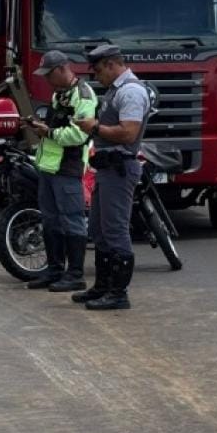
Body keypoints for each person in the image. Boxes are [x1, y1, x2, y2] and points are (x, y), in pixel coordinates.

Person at [72, 44, 150, 310]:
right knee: (99, 229)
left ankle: (119, 293)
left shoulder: (131, 92)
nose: (96, 77)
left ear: (110, 64)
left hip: (119, 168)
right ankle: (103, 286)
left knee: (115, 230)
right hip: (106, 169)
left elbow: (128, 133)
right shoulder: (116, 91)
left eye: (97, 71)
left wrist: (96, 127)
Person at [23, 50, 98, 292]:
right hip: (49, 167)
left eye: (48, 75)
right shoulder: (60, 94)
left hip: (68, 168)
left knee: (72, 222)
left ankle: (75, 275)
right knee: (51, 221)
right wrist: (40, 127)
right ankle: (54, 270)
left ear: (61, 69)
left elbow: (79, 135)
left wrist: (48, 132)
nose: (46, 80)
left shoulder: (83, 96)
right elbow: (59, 127)